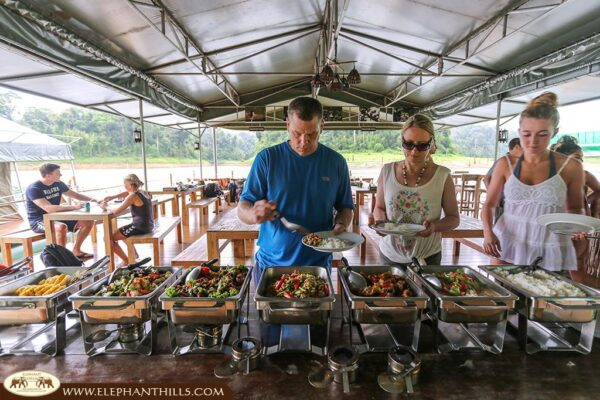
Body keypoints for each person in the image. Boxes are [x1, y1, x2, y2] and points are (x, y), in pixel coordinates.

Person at [237, 96, 354, 281]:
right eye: (297, 133)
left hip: (318, 265)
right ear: (287, 125)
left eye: (311, 134)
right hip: (271, 265)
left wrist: (342, 224)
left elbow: (346, 207)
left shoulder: (336, 162)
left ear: (322, 126)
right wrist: (252, 214)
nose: (303, 141)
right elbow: (243, 206)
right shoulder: (267, 159)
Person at [482, 92, 586, 271]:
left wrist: (576, 227)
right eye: (527, 134)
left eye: (542, 134)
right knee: (505, 296)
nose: (532, 142)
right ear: (519, 131)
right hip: (507, 243)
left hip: (549, 247)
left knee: (545, 295)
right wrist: (488, 233)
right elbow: (489, 204)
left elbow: (576, 208)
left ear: (555, 132)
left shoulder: (570, 167)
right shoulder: (505, 164)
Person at [370, 114, 460, 265]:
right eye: (409, 144)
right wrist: (380, 223)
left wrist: (434, 227)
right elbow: (379, 207)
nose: (414, 151)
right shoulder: (387, 171)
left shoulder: (443, 176)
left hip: (427, 256)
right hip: (390, 255)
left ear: (431, 144)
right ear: (402, 142)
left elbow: (454, 218)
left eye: (422, 145)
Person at [552, 135, 600, 281]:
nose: (580, 161)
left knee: (578, 262)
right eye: (576, 157)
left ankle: (582, 297)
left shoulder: (584, 175)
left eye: (582, 158)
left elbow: (598, 190)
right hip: (559, 223)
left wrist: (588, 202)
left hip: (579, 223)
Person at [25, 163, 96, 260]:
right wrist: (74, 207)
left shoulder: (59, 184)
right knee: (61, 227)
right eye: (58, 173)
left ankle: (76, 250)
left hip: (55, 217)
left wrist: (94, 200)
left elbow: (75, 195)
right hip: (38, 221)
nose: (61, 175)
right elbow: (48, 208)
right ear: (48, 175)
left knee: (88, 221)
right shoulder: (34, 188)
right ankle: (63, 258)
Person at [100, 174, 154, 264]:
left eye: (126, 185)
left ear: (131, 185)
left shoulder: (132, 197)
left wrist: (106, 206)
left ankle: (126, 260)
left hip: (139, 227)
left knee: (108, 238)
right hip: (149, 225)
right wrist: (113, 197)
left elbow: (116, 211)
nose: (125, 187)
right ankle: (134, 255)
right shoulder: (142, 192)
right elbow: (127, 193)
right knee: (119, 232)